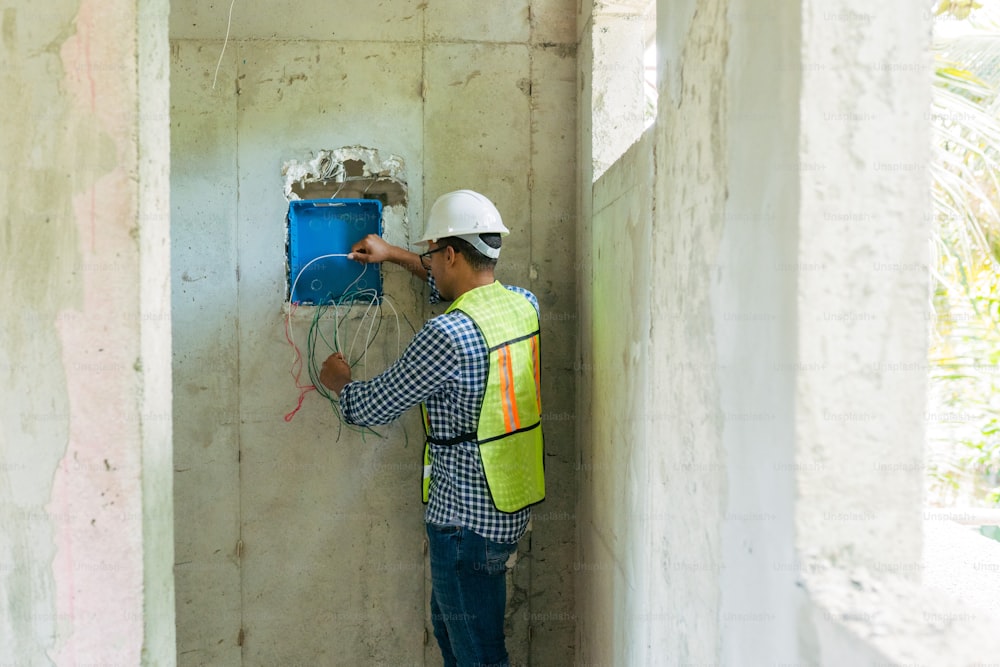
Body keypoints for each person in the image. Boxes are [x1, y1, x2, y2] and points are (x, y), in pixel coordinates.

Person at [319, 189, 545, 667]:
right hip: (507, 505)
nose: (430, 266)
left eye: (431, 255)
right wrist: (396, 255)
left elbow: (372, 405)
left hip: (464, 524)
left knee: (478, 654)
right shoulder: (523, 305)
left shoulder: (445, 335)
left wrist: (340, 382)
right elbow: (454, 286)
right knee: (455, 634)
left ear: (449, 253)